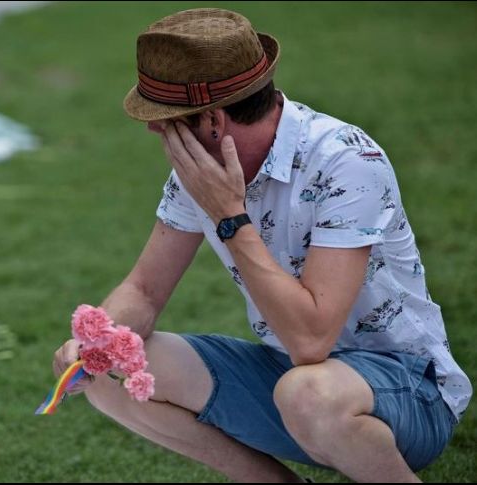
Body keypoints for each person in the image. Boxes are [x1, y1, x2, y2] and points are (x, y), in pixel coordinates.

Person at [51, 8, 471, 483]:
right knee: (112, 373)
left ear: (212, 121)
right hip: (293, 376)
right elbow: (145, 290)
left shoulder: (347, 161)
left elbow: (312, 340)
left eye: (166, 118)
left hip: (409, 391)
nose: (154, 129)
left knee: (306, 392)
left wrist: (231, 217)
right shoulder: (198, 173)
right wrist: (94, 344)